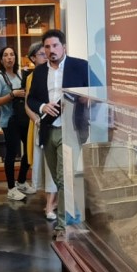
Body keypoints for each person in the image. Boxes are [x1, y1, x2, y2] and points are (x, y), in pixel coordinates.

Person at [26, 28, 92, 236]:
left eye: (55, 46)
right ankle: (74, 217)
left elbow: (96, 91)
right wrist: (42, 107)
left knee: (64, 178)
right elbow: (31, 99)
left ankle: (64, 227)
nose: (51, 50)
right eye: (47, 47)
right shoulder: (39, 71)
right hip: (48, 129)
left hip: (72, 128)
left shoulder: (80, 66)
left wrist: (84, 98)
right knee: (57, 178)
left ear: (64, 47)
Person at [0, 45, 32, 201]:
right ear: (1, 59)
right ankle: (10, 188)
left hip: (23, 118)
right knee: (12, 153)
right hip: (9, 121)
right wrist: (12, 94)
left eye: (12, 54)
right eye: (6, 55)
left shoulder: (19, 75)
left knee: (29, 150)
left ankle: (20, 181)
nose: (9, 58)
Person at [23, 42, 57, 220]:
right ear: (34, 57)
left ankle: (51, 203)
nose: (46, 55)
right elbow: (28, 102)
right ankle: (50, 201)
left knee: (53, 165)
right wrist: (36, 119)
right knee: (43, 163)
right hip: (39, 124)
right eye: (42, 54)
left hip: (56, 124)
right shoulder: (32, 76)